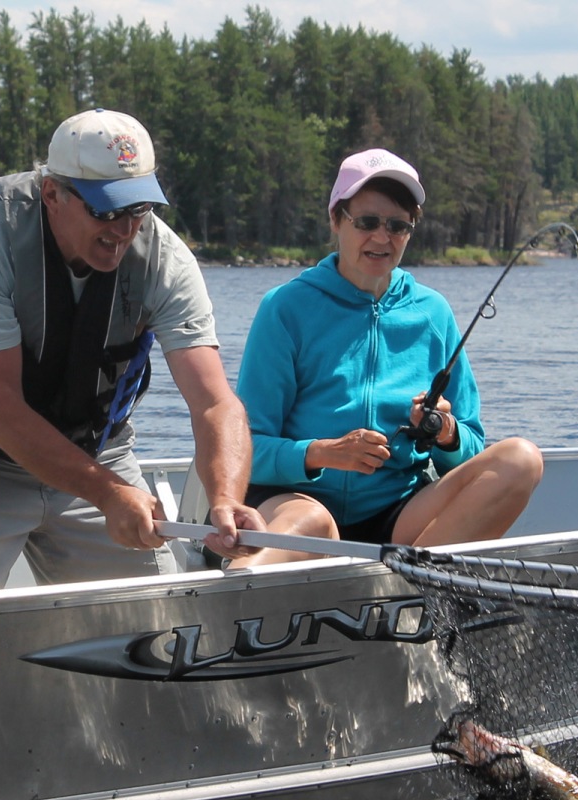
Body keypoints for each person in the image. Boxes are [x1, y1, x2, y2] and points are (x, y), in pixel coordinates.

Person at [0, 108, 262, 592]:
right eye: (105, 210)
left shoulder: (164, 259)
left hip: (95, 448)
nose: (124, 229)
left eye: (138, 208)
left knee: (153, 618)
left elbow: (213, 402)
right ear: (52, 194)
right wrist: (108, 495)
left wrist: (225, 499)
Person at [231, 148, 543, 566]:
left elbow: (471, 448)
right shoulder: (285, 308)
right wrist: (321, 452)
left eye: (398, 226)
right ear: (336, 220)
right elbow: (245, 450)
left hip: (399, 517)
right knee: (310, 520)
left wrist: (445, 433)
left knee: (521, 460)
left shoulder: (433, 313)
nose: (382, 238)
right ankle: (235, 598)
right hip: (297, 502)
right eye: (367, 222)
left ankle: (412, 591)